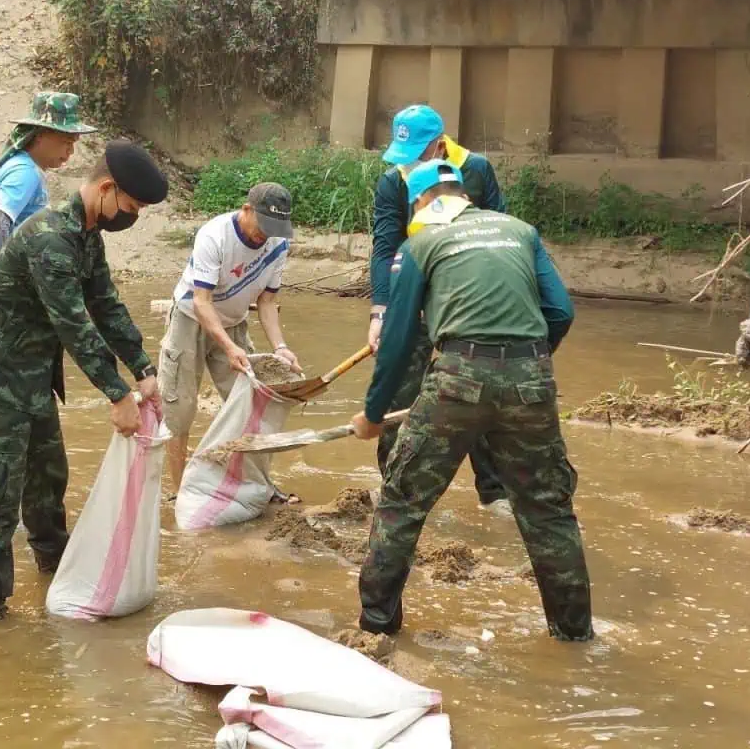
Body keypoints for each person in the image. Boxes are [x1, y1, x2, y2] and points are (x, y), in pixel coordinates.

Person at [351, 159, 593, 642]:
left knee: (402, 501)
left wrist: (374, 414)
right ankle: (575, 636)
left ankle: (376, 629)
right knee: (548, 510)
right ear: (463, 194)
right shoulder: (520, 231)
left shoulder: (421, 243)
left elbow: (399, 342)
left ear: (421, 202)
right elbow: (560, 312)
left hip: (457, 376)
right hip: (532, 378)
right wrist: (528, 363)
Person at [0, 140, 169, 623]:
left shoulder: (87, 236)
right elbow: (74, 324)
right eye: (130, 206)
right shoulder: (49, 238)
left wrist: (144, 369)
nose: (129, 216)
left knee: (47, 479)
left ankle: (56, 570)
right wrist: (117, 393)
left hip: (32, 379)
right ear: (107, 189)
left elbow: (105, 306)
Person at [368, 104, 510, 508]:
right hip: (414, 293)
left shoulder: (477, 169)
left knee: (479, 385)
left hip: (469, 300)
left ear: (439, 144)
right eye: (403, 155)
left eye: (416, 154)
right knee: (397, 389)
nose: (408, 164)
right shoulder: (392, 182)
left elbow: (498, 230)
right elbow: (384, 248)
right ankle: (393, 486)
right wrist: (381, 311)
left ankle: (494, 492)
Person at [159, 182, 302, 489]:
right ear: (246, 209)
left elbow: (267, 302)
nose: (265, 234)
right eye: (263, 225)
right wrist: (228, 347)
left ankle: (246, 483)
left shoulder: (277, 245)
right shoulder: (215, 236)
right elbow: (202, 302)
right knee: (179, 410)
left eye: (275, 227)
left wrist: (281, 346)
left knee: (250, 404)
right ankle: (179, 490)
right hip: (190, 320)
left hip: (235, 322)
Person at [0, 92, 98, 324]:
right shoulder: (24, 173)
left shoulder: (16, 165)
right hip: (4, 309)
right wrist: (9, 287)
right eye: (66, 143)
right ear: (39, 137)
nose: (71, 152)